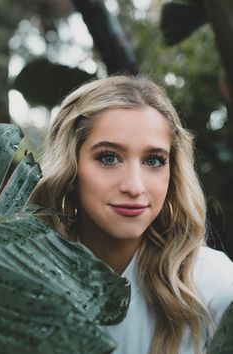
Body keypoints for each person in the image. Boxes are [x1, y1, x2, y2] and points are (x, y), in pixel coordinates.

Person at [31, 75, 233, 354]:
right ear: (71, 167)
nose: (135, 187)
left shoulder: (214, 287)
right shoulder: (20, 279)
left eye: (153, 161)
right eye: (108, 157)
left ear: (172, 173)